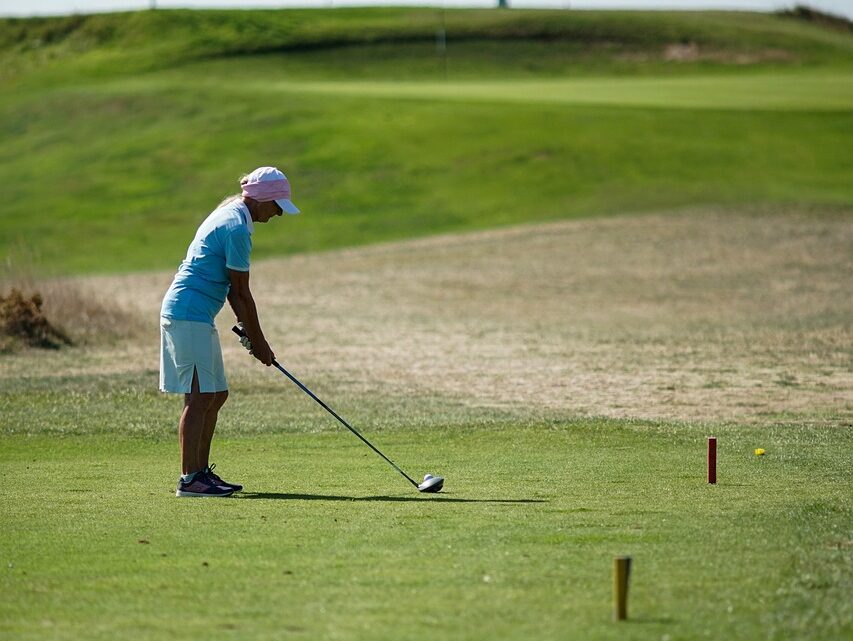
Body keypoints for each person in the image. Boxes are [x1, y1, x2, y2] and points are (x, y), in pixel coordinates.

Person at [159, 166, 300, 497]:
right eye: (276, 205)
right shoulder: (237, 227)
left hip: (196, 314)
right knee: (199, 397)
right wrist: (260, 343)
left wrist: (253, 336)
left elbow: (234, 293)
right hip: (187, 313)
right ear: (262, 200)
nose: (278, 213)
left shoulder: (233, 213)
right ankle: (190, 479)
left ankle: (200, 474)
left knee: (216, 393)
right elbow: (239, 292)